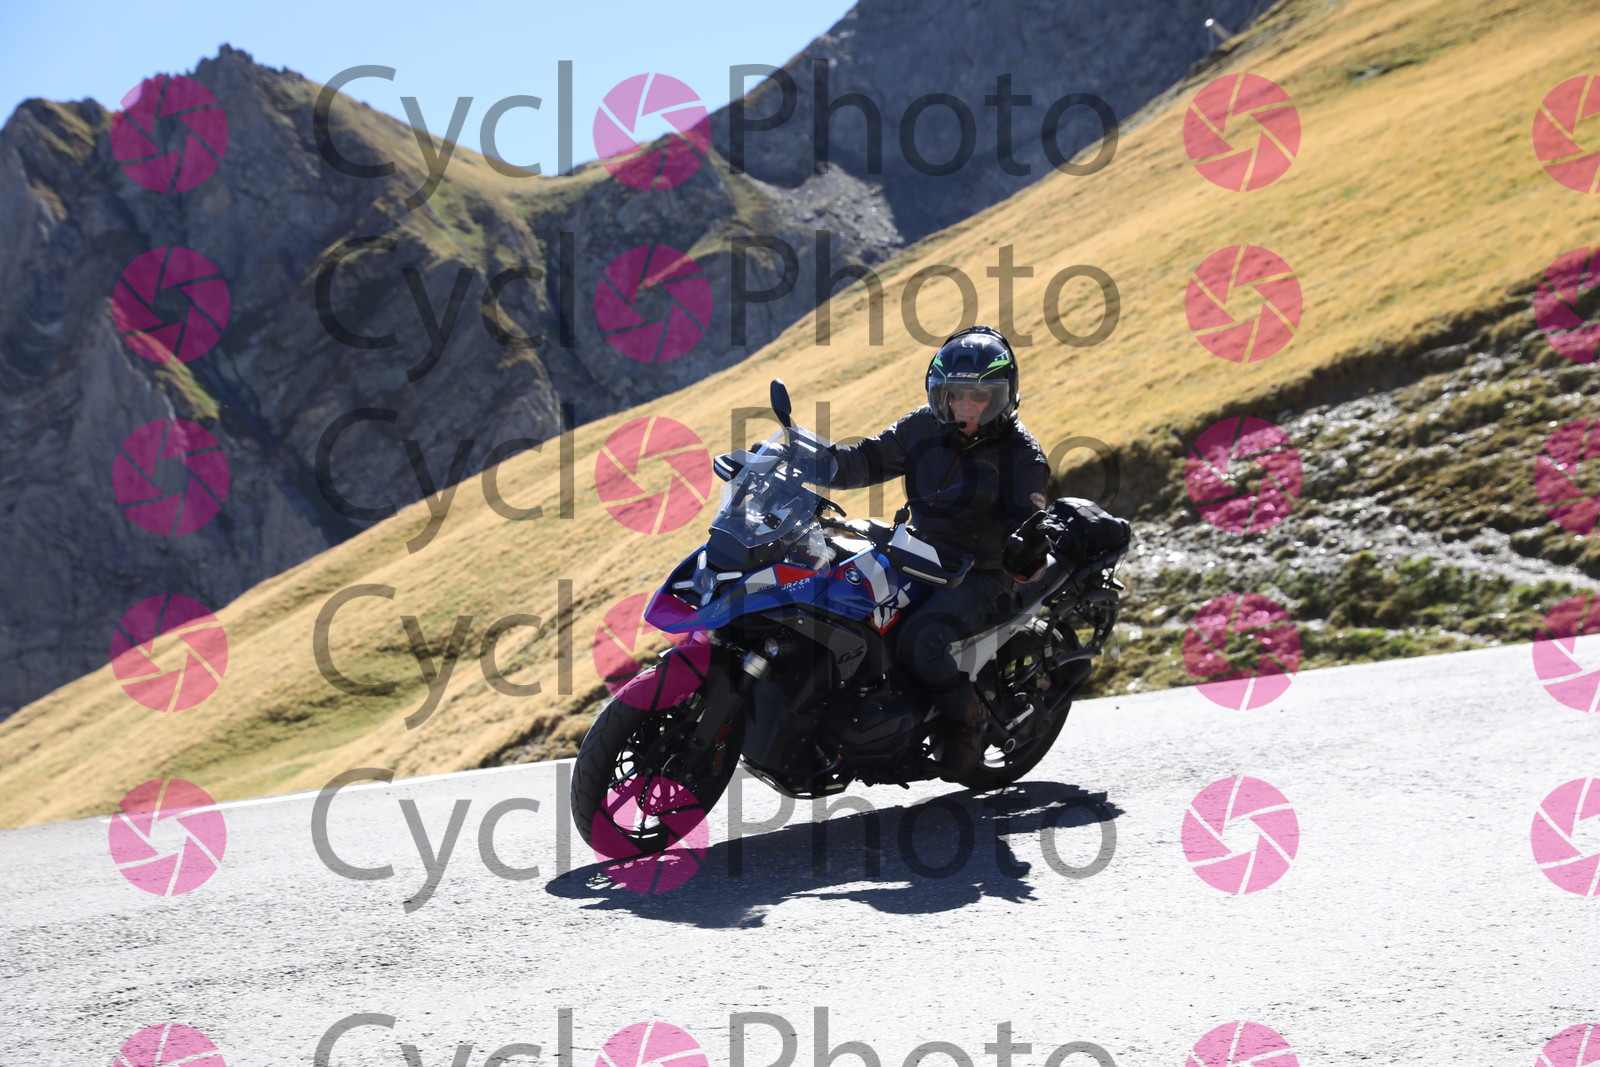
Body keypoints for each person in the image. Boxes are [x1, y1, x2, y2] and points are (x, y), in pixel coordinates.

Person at [821, 325, 1053, 782]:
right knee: (842, 598)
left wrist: (1024, 546)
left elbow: (1029, 519)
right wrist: (802, 460)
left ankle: (967, 722)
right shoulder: (922, 426)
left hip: (984, 574)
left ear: (1004, 397)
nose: (964, 407)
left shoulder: (1023, 456)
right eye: (954, 395)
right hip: (919, 554)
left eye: (979, 397)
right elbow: (864, 460)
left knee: (920, 640)